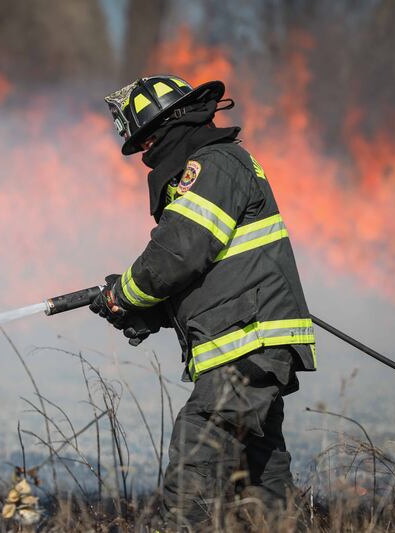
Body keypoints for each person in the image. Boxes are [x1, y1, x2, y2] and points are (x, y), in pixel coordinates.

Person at [90, 75, 317, 530]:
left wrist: (127, 293)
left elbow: (179, 251)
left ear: (174, 123)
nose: (147, 152)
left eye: (148, 138)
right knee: (260, 483)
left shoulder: (214, 164)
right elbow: (204, 269)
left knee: (196, 459)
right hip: (245, 342)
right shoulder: (217, 166)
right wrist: (144, 310)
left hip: (247, 342)